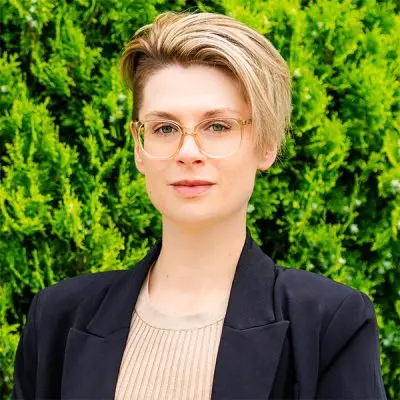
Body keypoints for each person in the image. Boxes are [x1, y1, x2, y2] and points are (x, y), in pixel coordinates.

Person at [12, 11, 387, 400]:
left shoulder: (329, 323)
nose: (187, 152)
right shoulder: (57, 318)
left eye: (218, 126)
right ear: (139, 146)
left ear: (267, 144)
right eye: (164, 128)